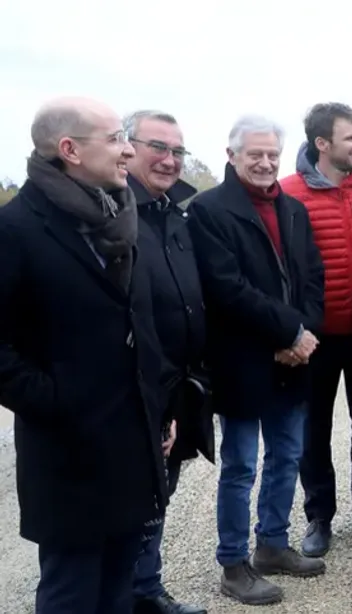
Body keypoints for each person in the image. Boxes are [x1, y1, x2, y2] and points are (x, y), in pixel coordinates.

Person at [0, 97, 168, 612]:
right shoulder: (17, 229)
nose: (127, 151)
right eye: (117, 138)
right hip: (68, 454)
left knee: (119, 587)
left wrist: (158, 410)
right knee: (72, 592)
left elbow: (137, 321)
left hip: (131, 444)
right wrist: (58, 401)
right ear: (69, 150)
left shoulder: (119, 219)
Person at [189, 115, 326, 605]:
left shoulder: (292, 209)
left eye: (272, 154)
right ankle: (233, 562)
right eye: (255, 155)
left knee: (287, 456)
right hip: (244, 360)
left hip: (294, 360)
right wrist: (289, 331)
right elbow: (227, 289)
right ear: (232, 156)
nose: (266, 163)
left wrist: (305, 334)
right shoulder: (207, 211)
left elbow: (312, 277)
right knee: (241, 466)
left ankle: (272, 544)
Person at [280, 102, 352, 558]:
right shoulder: (289, 193)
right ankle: (318, 517)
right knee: (314, 430)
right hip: (314, 337)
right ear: (322, 144)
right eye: (351, 137)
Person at [124, 109, 211, 614]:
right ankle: (131, 592)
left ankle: (146, 589)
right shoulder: (116, 215)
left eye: (178, 151)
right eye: (158, 147)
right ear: (126, 147)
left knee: (161, 497)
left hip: (179, 387)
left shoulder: (175, 215)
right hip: (138, 389)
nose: (170, 159)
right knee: (133, 502)